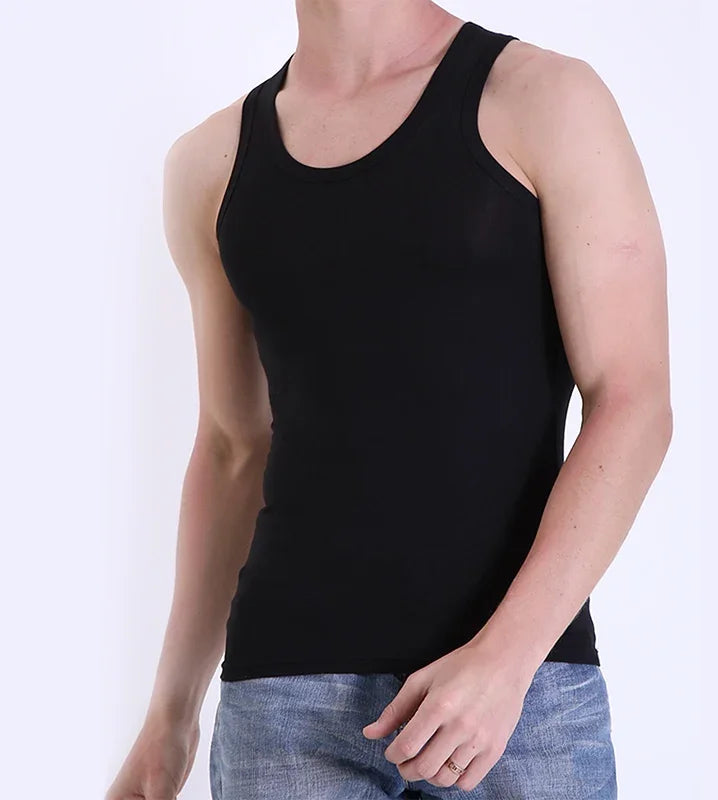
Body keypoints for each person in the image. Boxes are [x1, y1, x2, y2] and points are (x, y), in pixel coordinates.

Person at [105, 2, 672, 799]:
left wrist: (506, 659)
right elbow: (233, 447)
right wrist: (170, 720)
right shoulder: (210, 162)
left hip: (524, 699)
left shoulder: (544, 99)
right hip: (285, 706)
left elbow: (634, 399)